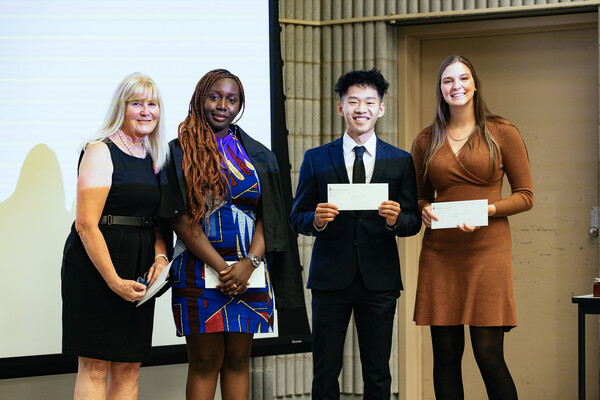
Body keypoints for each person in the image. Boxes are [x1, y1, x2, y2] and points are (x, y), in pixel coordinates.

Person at [289, 69, 421, 399]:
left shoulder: (400, 161)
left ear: (381, 108)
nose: (360, 108)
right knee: (325, 370)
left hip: (379, 280)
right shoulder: (316, 158)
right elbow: (297, 217)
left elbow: (413, 220)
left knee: (378, 371)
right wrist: (316, 220)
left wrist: (394, 221)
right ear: (340, 108)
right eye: (353, 101)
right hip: (329, 279)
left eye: (369, 101)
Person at [159, 69, 291, 399]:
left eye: (232, 100)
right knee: (205, 361)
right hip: (198, 269)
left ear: (240, 105)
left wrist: (250, 262)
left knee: (238, 359)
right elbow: (182, 221)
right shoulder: (178, 152)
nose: (223, 105)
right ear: (200, 99)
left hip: (250, 272)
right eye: (215, 97)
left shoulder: (258, 154)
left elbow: (270, 214)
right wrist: (223, 269)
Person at [412, 55, 534, 399]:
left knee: (489, 356)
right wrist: (424, 209)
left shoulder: (502, 131)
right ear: (440, 89)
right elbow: (420, 195)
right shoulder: (425, 139)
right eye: (448, 81)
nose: (456, 86)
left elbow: (525, 195)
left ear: (475, 84)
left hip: (488, 251)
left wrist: (489, 208)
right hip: (440, 254)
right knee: (446, 356)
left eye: (463, 78)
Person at [61, 72, 170, 399]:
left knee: (129, 366)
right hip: (96, 269)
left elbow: (157, 221)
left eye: (152, 104)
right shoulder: (99, 150)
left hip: (137, 268)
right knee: (95, 366)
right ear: (121, 108)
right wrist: (112, 280)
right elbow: (85, 225)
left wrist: (161, 256)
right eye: (136, 103)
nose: (145, 111)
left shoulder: (155, 157)